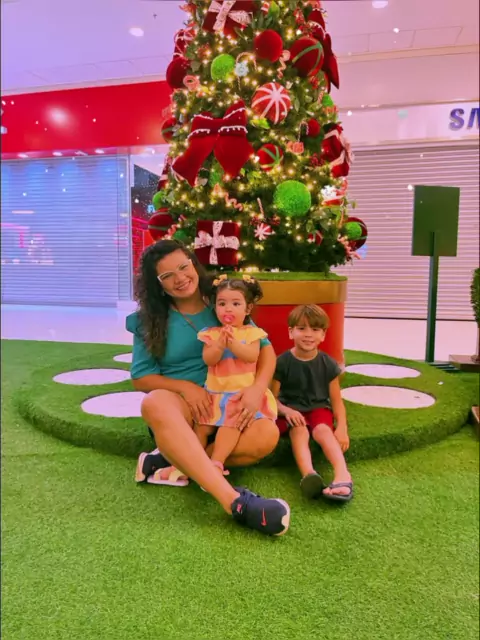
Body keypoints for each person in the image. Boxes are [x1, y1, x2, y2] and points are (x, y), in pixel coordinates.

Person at [126, 239, 290, 536]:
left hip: (232, 404)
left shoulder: (223, 300)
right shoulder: (148, 320)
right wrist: (187, 389)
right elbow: (141, 378)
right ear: (157, 283)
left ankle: (172, 459)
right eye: (167, 275)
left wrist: (257, 389)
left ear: (193, 263)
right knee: (154, 402)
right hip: (187, 410)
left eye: (183, 267)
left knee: (267, 435)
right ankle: (234, 502)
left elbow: (265, 350)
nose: (180, 278)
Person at [195, 274, 277, 476]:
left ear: (248, 309)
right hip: (215, 393)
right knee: (201, 426)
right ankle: (189, 460)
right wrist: (218, 345)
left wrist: (232, 344)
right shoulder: (211, 333)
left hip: (239, 394)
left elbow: (251, 356)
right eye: (222, 303)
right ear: (215, 307)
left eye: (236, 303)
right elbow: (208, 359)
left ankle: (216, 461)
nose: (228, 309)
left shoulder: (251, 333)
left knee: (230, 425)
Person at [272, 304, 353, 502]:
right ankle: (309, 476)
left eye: (315, 329)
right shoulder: (281, 362)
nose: (308, 334)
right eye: (302, 328)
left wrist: (342, 427)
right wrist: (286, 411)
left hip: (318, 408)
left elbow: (336, 401)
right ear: (291, 332)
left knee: (323, 431)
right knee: (299, 431)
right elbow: (271, 398)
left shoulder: (328, 364)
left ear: (323, 335)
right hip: (291, 410)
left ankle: (343, 474)